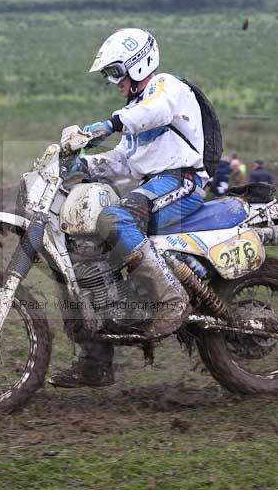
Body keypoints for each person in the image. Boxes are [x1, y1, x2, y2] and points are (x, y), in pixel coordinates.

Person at [50, 28, 209, 388]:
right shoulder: (134, 111)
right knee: (88, 253)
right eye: (109, 76)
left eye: (115, 73)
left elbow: (157, 112)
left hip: (182, 181)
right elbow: (124, 160)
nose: (114, 83)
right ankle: (96, 362)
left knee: (114, 218)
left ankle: (171, 301)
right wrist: (82, 166)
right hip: (152, 185)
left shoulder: (166, 88)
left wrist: (105, 125)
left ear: (139, 65)